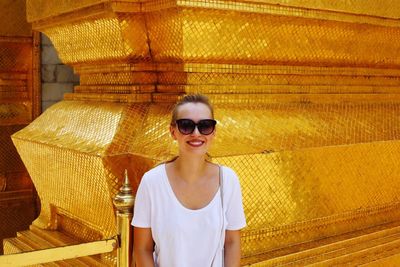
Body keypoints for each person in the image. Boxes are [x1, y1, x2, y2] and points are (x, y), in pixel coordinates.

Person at [132, 94, 246, 267]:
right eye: (186, 126)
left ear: (213, 132)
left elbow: (232, 243)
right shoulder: (152, 183)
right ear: (173, 131)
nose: (196, 133)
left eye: (205, 126)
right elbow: (142, 249)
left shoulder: (228, 180)